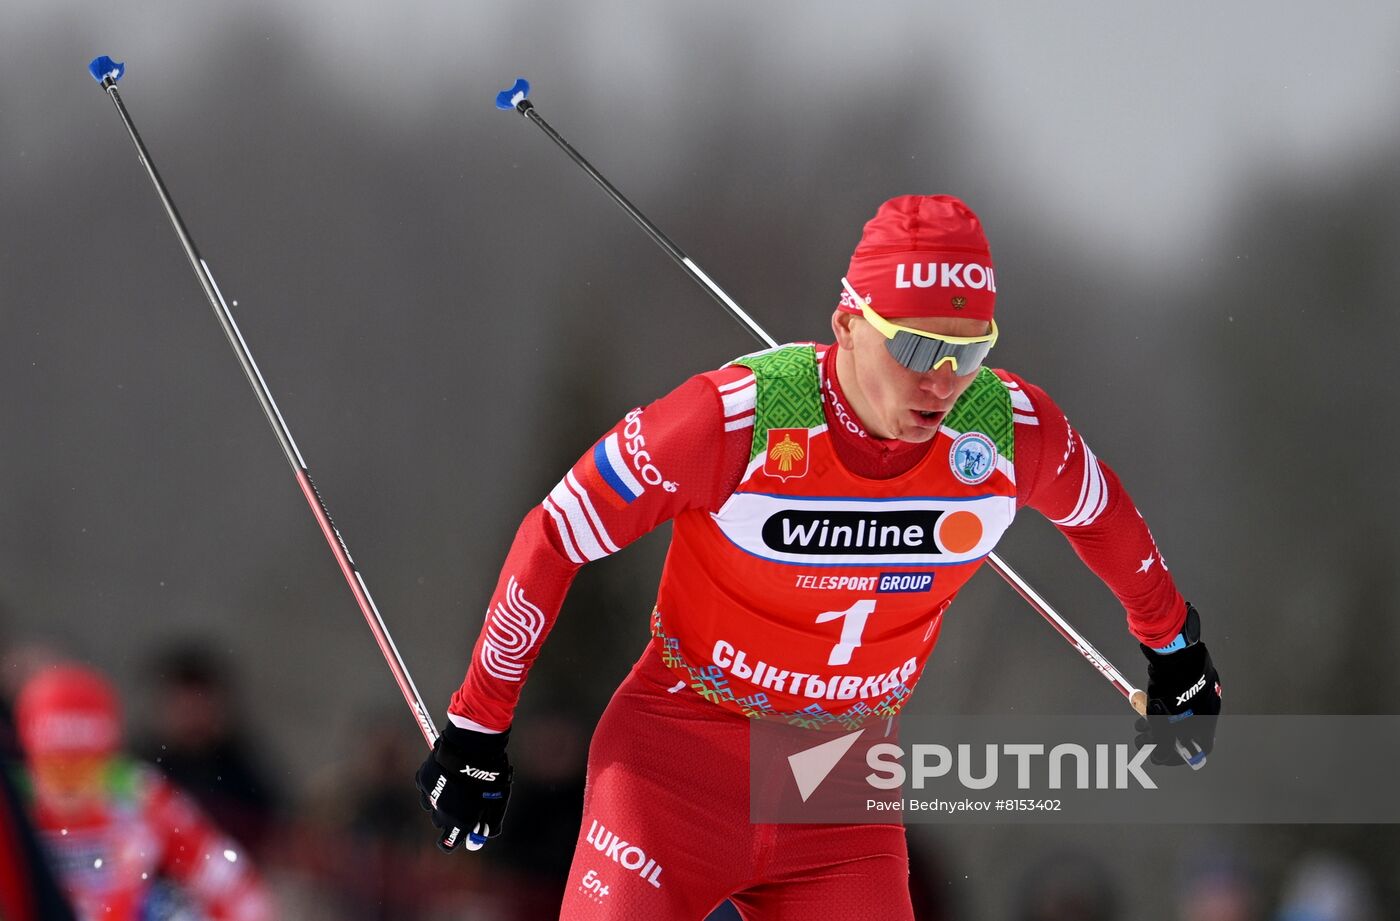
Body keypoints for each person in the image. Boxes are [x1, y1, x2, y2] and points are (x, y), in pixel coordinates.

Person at [415, 195, 1223, 919]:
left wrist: (1173, 645)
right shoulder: (736, 419)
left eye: (967, 351)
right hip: (678, 762)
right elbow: (554, 531)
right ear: (847, 323)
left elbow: (1101, 512)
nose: (941, 382)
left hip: (836, 791)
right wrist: (477, 726)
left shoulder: (1006, 429)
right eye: (913, 347)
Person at [14, 661, 276, 921]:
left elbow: (230, 882)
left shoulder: (137, 794)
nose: (69, 788)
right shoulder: (14, 802)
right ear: (30, 759)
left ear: (109, 759)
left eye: (85, 769)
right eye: (55, 770)